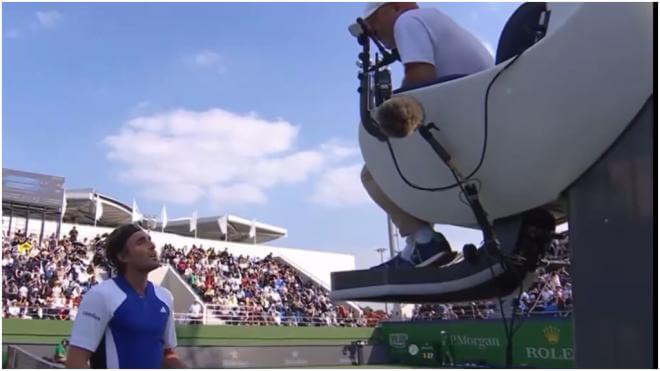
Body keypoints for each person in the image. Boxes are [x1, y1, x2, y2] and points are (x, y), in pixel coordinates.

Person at [351, 2, 494, 270]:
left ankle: (423, 240)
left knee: (372, 173)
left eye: (372, 21)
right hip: (481, 127)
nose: (372, 30)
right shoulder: (436, 19)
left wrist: (386, 110)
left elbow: (420, 81)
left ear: (393, 7)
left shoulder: (409, 21)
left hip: (467, 138)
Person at [65, 224, 187, 368]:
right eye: (141, 242)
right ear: (123, 256)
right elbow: (75, 361)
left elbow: (167, 354)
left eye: (149, 239)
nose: (152, 245)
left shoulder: (165, 297)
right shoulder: (100, 295)